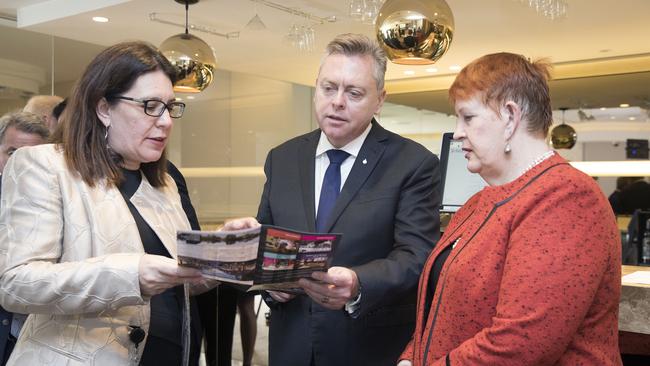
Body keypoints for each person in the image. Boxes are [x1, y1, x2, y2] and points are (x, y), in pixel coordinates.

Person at [224, 33, 440, 366]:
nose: (337, 102)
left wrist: (357, 283)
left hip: (367, 348)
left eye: (354, 93)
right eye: (328, 88)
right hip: (290, 345)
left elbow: (416, 256)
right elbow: (271, 241)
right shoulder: (282, 158)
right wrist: (266, 277)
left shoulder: (413, 164)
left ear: (379, 100)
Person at [399, 52, 622, 365]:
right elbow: (439, 310)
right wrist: (411, 357)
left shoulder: (566, 197)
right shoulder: (479, 202)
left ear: (510, 117)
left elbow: (522, 342)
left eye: (468, 117)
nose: (458, 132)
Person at [0, 41, 214, 366]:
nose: (166, 121)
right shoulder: (44, 166)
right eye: (150, 105)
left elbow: (184, 285)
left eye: (170, 107)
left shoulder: (164, 182)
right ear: (103, 108)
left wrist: (227, 250)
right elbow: (17, 284)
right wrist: (131, 274)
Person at [0, 111, 49, 365]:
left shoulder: (59, 208)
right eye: (12, 153)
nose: (19, 163)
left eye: (30, 156)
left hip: (41, 340)